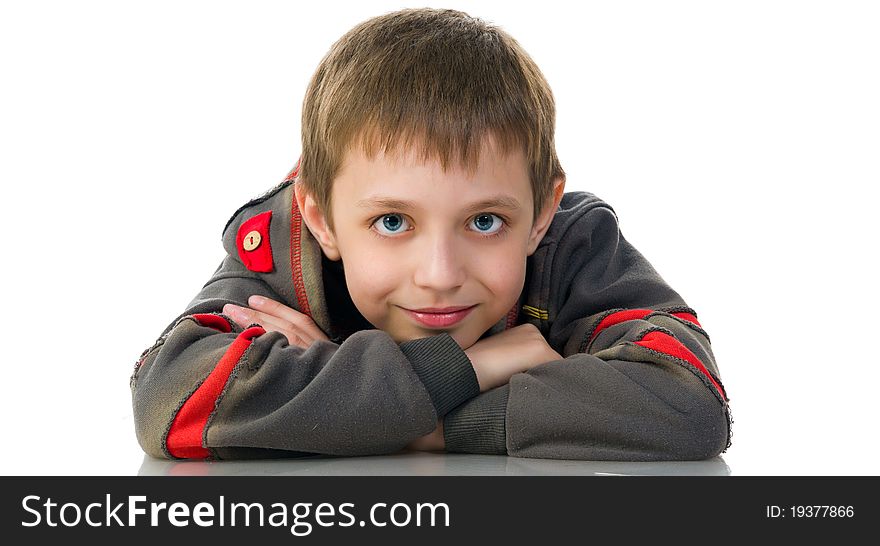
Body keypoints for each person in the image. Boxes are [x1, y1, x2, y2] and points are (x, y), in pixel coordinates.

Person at [131, 8, 731, 461]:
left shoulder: (570, 247)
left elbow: (688, 402)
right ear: (320, 218)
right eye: (393, 222)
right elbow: (170, 400)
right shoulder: (282, 252)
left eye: (485, 221)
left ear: (541, 215)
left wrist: (419, 421)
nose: (440, 275)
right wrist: (475, 365)